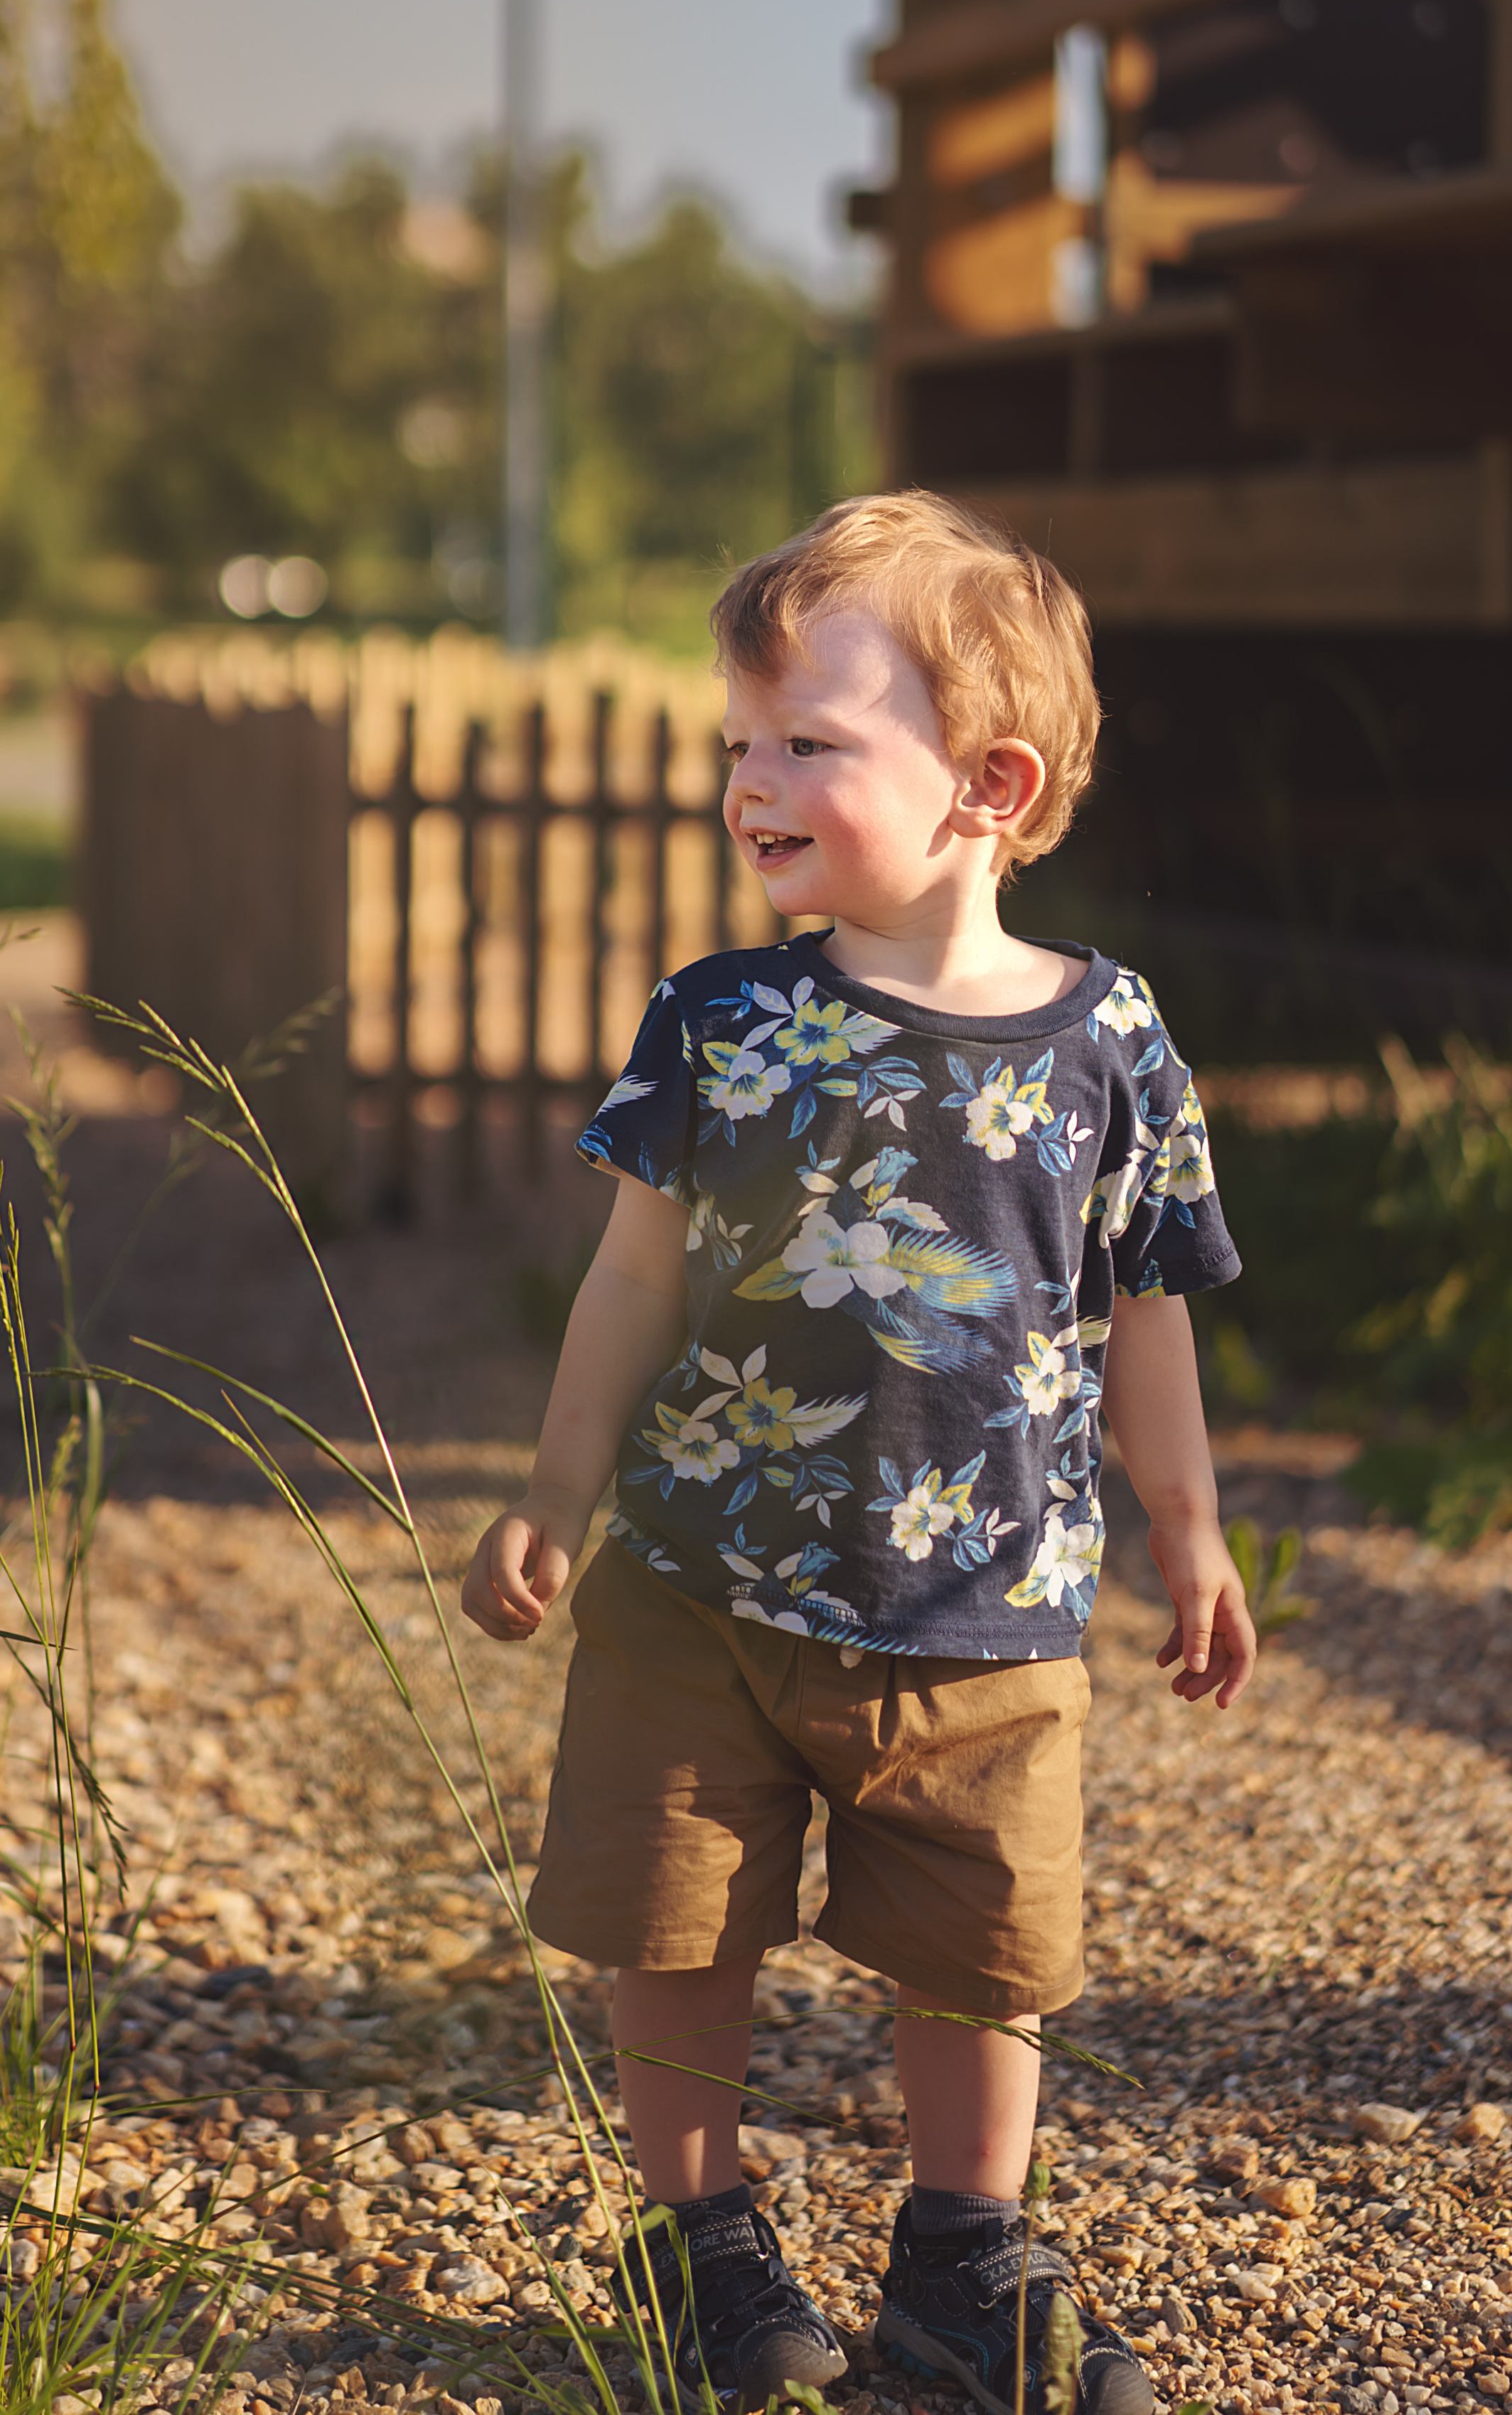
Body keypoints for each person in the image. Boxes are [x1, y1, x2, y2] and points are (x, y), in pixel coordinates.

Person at [461, 491, 1257, 2415]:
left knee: (986, 1953)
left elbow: (1144, 1310)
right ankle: (700, 2244)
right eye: (739, 744)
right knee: (676, 1921)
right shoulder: (723, 1023)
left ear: (985, 782)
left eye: (808, 742)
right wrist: (554, 1492)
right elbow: (631, 1280)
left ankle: (963, 2268)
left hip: (991, 1620)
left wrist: (1195, 1532)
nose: (752, 782)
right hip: (695, 1597)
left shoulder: (1110, 1044)